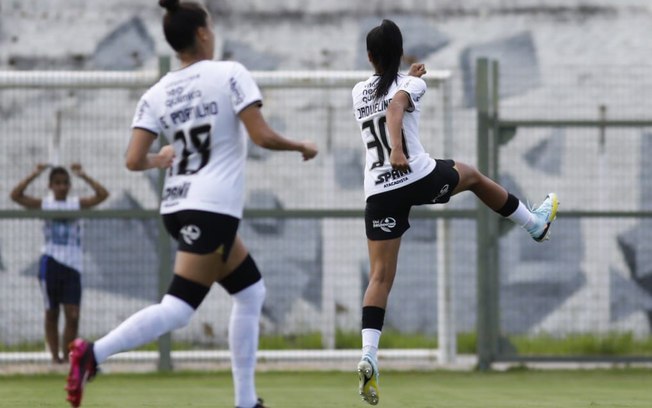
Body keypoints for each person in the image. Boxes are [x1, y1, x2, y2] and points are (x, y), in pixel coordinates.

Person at [64, 1, 318, 407]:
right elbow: (262, 136)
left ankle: (247, 401)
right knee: (179, 308)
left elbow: (133, 160)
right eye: (212, 26)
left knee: (251, 292)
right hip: (210, 209)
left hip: (178, 205)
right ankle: (92, 354)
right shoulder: (230, 74)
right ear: (202, 33)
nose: (214, 32)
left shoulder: (157, 92)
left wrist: (158, 159)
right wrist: (300, 144)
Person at [351, 19, 558, 405]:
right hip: (414, 175)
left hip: (378, 191)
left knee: (379, 277)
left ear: (368, 57)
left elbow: (386, 98)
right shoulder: (412, 86)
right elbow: (396, 106)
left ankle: (368, 356)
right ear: (400, 53)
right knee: (475, 176)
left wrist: (404, 82)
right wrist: (398, 148)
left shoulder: (358, 92)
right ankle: (534, 224)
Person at [10, 163, 109, 364]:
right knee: (52, 312)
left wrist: (83, 175)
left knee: (73, 314)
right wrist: (34, 173)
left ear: (69, 185)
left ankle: (69, 355)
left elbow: (102, 195)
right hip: (51, 262)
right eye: (57, 183)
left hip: (72, 265)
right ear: (51, 185)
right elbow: (16, 195)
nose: (61, 187)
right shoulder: (45, 204)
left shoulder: (75, 204)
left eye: (65, 183)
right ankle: (55, 358)